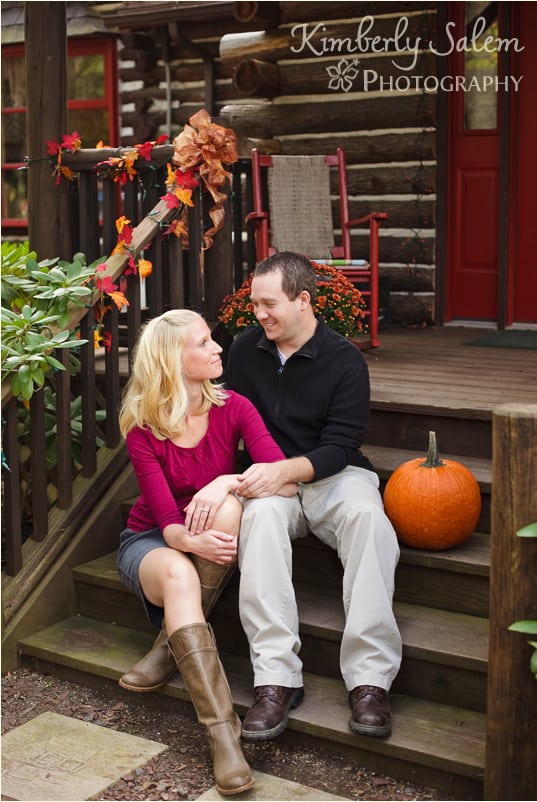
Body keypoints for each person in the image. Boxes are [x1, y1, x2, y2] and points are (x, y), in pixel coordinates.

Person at [116, 309, 296, 796]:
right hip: (151, 542)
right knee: (179, 576)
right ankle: (224, 736)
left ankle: (169, 647)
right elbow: (168, 526)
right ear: (175, 359)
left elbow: (278, 474)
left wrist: (225, 481)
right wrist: (186, 540)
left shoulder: (234, 406)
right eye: (204, 343)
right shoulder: (143, 429)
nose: (219, 348)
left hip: (203, 538)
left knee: (227, 510)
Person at [225, 251, 402, 742]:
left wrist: (288, 470)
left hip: (333, 476)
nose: (259, 315)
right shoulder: (243, 351)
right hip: (268, 480)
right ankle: (275, 679)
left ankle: (369, 680)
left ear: (303, 300)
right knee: (257, 523)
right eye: (254, 304)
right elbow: (226, 423)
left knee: (369, 518)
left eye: (268, 304)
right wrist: (249, 478)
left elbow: (342, 445)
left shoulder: (344, 359)